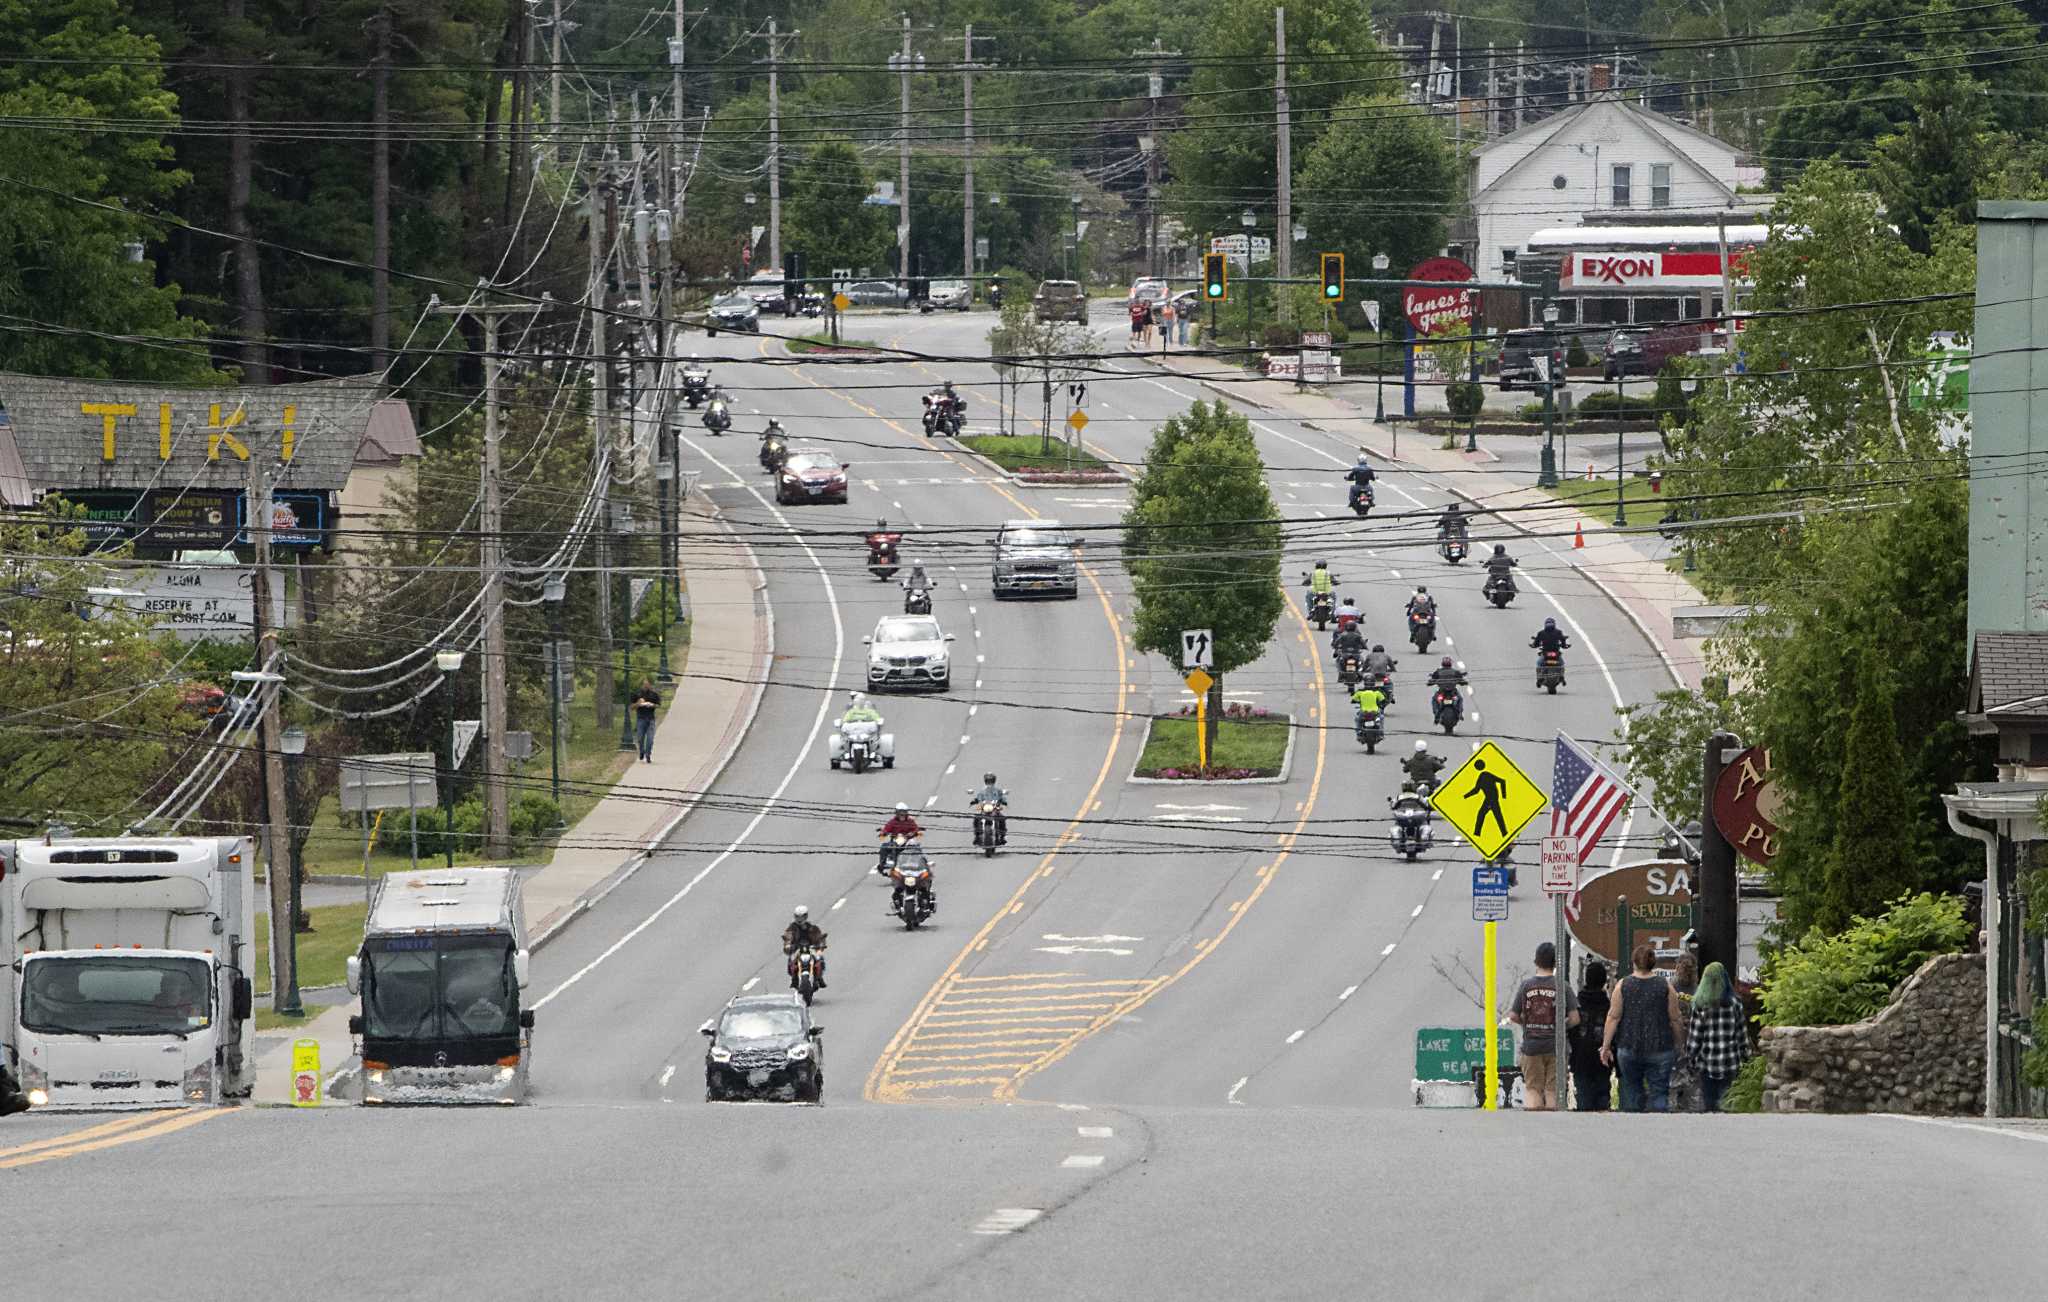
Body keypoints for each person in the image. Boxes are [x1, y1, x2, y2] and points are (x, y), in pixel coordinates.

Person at [1601, 943, 1687, 1112]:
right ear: (1653, 962)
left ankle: (1634, 1129)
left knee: (1632, 1091)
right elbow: (1675, 1018)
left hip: (1629, 1046)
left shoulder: (1623, 985)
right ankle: (1658, 1128)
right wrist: (1680, 1043)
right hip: (1661, 1047)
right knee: (1660, 1092)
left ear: (1634, 962)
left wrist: (1605, 1046)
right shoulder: (1665, 986)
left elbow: (1613, 1017)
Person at [1508, 942, 1579, 1111]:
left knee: (1533, 1088)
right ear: (1555, 963)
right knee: (1552, 1089)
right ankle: (1551, 1124)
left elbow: (1513, 1015)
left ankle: (1536, 1125)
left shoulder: (1526, 986)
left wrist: (1528, 1024)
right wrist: (1560, 1026)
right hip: (1556, 1046)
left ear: (1536, 961)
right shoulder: (1562, 986)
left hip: (1532, 1045)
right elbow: (1575, 1018)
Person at [1686, 960, 1750, 1113]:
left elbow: (1695, 1038)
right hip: (1730, 1062)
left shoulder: (1700, 1005)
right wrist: (1746, 1057)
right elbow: (1742, 1034)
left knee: (1709, 1105)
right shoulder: (1735, 1003)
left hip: (1706, 1063)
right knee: (1727, 1104)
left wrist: (1691, 1059)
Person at [1568, 961, 1614, 1111]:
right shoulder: (1608, 1006)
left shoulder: (1577, 1004)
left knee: (1584, 1100)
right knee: (1602, 1097)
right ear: (1603, 982)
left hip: (1580, 1059)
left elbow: (1572, 1030)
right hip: (1602, 1059)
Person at [783, 906, 827, 990]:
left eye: (802, 916)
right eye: (797, 916)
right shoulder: (791, 928)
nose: (799, 919)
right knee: (791, 960)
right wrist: (788, 945)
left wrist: (821, 944)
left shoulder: (812, 927)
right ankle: (794, 978)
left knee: (820, 957)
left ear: (806, 916)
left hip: (811, 948)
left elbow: (819, 937)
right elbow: (788, 937)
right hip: (797, 948)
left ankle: (819, 977)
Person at [970, 771, 1009, 843]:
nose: (989, 782)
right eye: (988, 780)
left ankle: (1002, 837)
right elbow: (978, 797)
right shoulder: (982, 790)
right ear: (985, 781)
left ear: (994, 780)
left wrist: (1004, 801)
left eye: (991, 780)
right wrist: (974, 800)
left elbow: (1002, 797)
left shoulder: (998, 790)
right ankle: (977, 836)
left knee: (1002, 818)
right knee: (976, 818)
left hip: (994, 808)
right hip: (984, 808)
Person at [630, 680, 661, 762]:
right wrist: (638, 704)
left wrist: (652, 705)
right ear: (642, 685)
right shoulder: (637, 694)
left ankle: (648, 754)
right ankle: (641, 751)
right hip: (640, 718)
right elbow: (632, 707)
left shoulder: (654, 695)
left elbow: (658, 705)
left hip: (651, 719)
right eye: (644, 685)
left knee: (650, 739)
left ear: (650, 685)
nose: (646, 686)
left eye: (648, 684)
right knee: (640, 738)